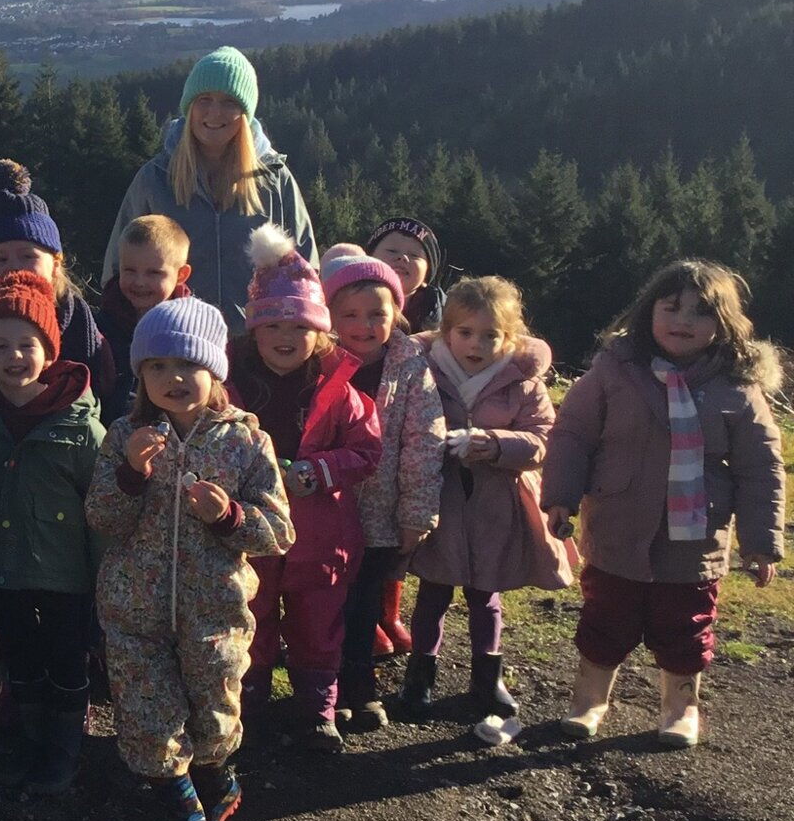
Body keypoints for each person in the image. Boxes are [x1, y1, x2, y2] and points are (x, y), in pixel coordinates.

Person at [87, 299, 293, 821]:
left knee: (214, 720)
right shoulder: (126, 436)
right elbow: (102, 517)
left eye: (187, 365)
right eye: (156, 367)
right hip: (135, 612)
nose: (172, 379)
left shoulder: (246, 444)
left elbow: (278, 532)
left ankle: (220, 784)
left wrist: (229, 517)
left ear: (215, 370)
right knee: (150, 719)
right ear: (141, 375)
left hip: (215, 614)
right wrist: (130, 474)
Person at [543, 260, 785, 748]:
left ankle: (681, 709)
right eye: (671, 307)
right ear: (647, 311)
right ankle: (589, 702)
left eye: (700, 313)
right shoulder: (615, 370)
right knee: (604, 621)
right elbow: (572, 435)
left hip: (695, 540)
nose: (683, 321)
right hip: (616, 528)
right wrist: (562, 498)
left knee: (685, 630)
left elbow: (761, 469)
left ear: (724, 325)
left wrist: (762, 542)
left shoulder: (738, 387)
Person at [227, 228, 380, 753]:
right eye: (272, 323)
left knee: (319, 628)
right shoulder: (230, 384)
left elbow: (367, 450)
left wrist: (319, 469)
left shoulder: (340, 390)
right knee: (251, 618)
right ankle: (248, 704)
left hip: (320, 540)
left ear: (320, 334)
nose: (285, 335)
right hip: (249, 534)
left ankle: (317, 711)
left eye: (299, 324)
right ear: (255, 329)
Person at [400, 277, 574, 739]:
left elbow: (542, 440)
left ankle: (487, 678)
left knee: (486, 593)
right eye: (465, 333)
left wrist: (495, 444)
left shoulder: (522, 381)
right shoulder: (422, 370)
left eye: (490, 335)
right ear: (445, 332)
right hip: (440, 500)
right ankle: (420, 676)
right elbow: (405, 425)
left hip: (497, 504)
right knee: (433, 592)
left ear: (509, 337)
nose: (476, 345)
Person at [0, 271, 106, 794]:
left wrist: (104, 574)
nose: (13, 356)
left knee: (66, 660)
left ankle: (64, 750)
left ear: (49, 350)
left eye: (27, 344)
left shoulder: (80, 424)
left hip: (66, 571)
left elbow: (103, 505)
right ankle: (29, 739)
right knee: (19, 658)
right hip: (3, 566)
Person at [319, 244, 444, 731]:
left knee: (364, 603)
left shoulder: (409, 365)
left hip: (380, 514)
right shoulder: (319, 360)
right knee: (323, 602)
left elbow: (424, 442)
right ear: (329, 314)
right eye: (348, 313)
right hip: (325, 511)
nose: (363, 324)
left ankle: (359, 686)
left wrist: (416, 514)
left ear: (397, 313)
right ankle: (322, 684)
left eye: (377, 313)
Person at [108, 46, 316, 331]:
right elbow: (118, 268)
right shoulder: (154, 179)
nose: (215, 112)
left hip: (255, 353)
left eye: (229, 102)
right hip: (173, 348)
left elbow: (306, 273)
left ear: (245, 113)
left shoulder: (274, 181)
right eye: (204, 99)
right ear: (189, 106)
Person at [0, 161, 117, 417]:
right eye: (1, 259)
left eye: (27, 256)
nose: (14, 267)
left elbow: (104, 397)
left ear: (56, 264)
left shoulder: (80, 327)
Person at [98, 214, 194, 419]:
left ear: (181, 275)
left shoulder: (192, 332)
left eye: (153, 273)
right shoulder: (102, 328)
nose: (139, 282)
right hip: (115, 430)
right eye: (130, 271)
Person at [366, 217, 446, 335]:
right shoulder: (343, 300)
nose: (403, 257)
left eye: (414, 255)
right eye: (392, 251)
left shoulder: (449, 317)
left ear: (427, 275)